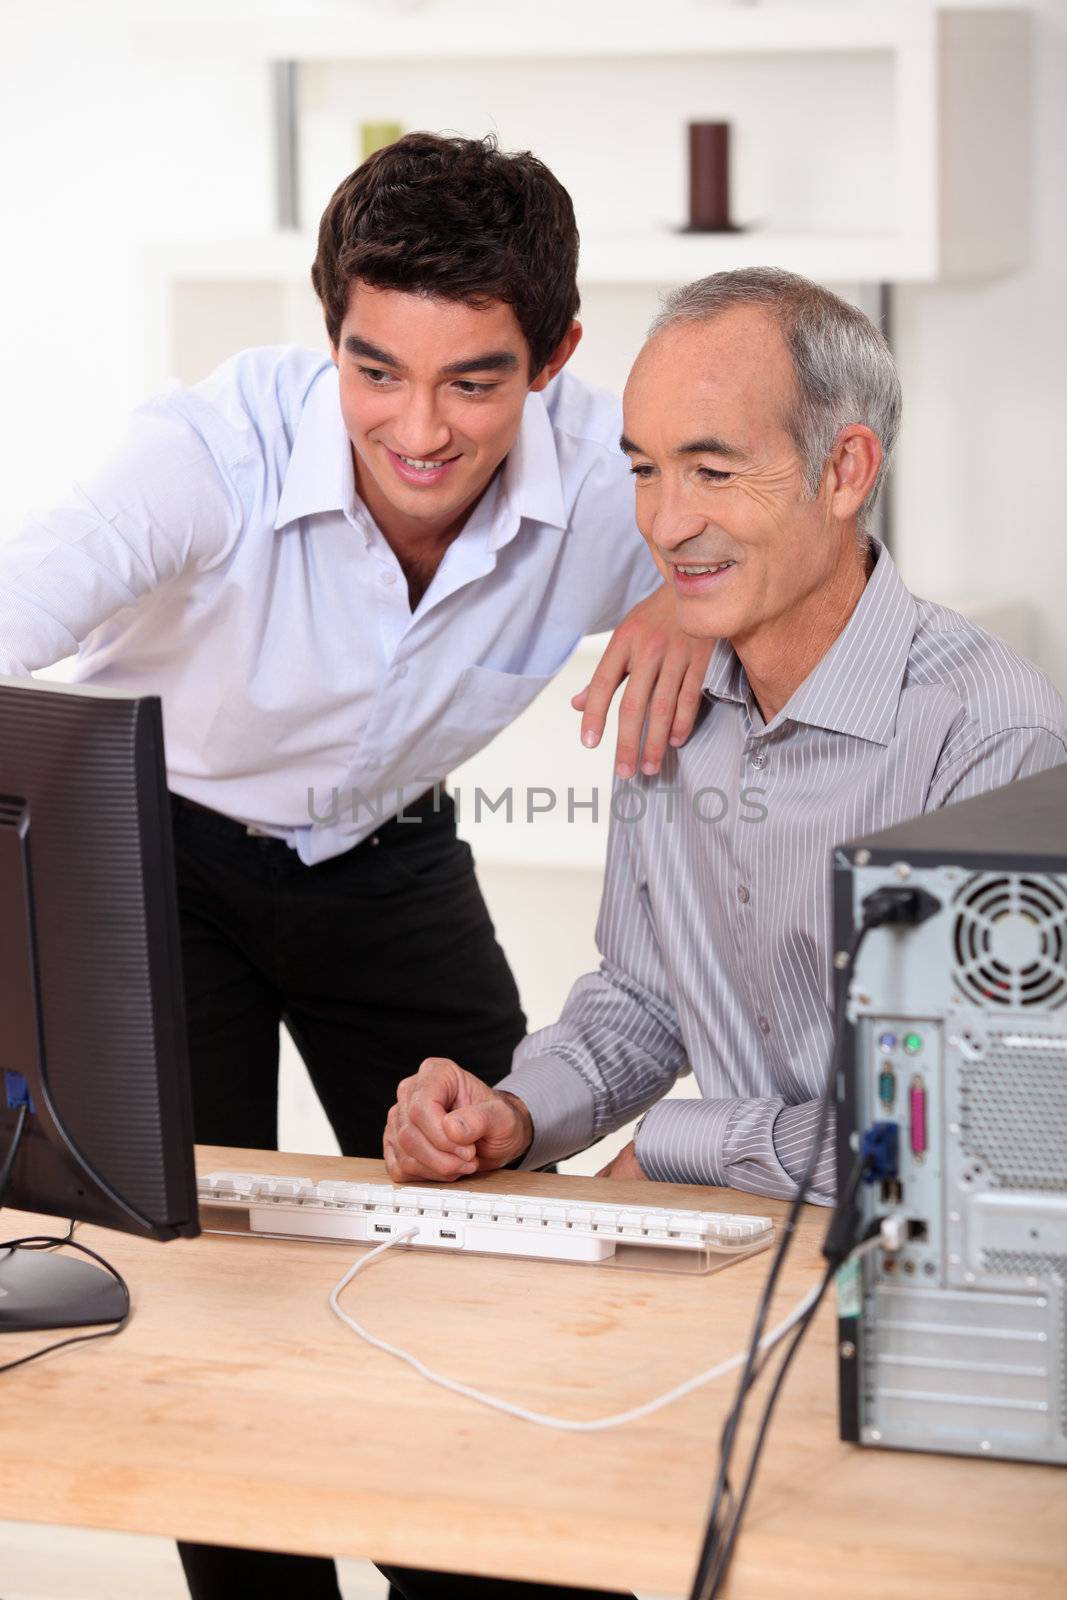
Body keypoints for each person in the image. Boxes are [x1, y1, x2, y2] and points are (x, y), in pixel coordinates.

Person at [0, 133, 710, 1600]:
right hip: (158, 870)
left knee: (480, 1214)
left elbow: (797, 543)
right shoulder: (215, 449)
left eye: (473, 380)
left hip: (389, 863)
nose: (419, 430)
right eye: (374, 369)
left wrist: (692, 604)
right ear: (329, 333)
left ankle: (492, 1567)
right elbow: (29, 595)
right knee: (188, 1272)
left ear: (556, 356)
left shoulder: (605, 481)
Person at [383, 266, 1067, 1202]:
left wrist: (684, 1140)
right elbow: (642, 1000)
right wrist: (512, 1116)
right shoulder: (675, 692)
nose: (665, 523)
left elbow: (969, 1123)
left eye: (711, 470)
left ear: (845, 471)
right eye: (644, 470)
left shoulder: (988, 740)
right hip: (725, 1269)